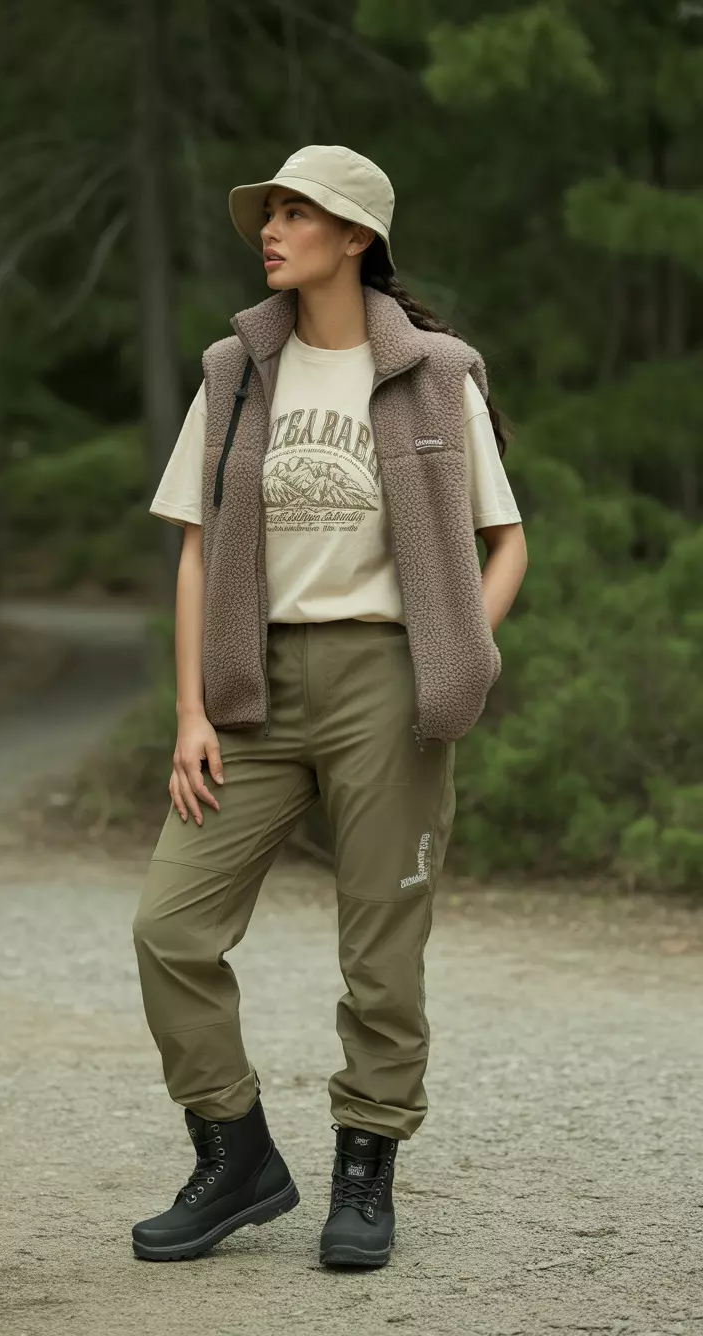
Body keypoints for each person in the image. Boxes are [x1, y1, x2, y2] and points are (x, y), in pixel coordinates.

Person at [131, 144, 527, 1269]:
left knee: (381, 948)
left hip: (385, 686)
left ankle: (367, 1169)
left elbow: (507, 538)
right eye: (271, 211)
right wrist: (191, 712)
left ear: (356, 237)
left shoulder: (437, 373)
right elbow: (199, 555)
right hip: (250, 689)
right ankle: (234, 1151)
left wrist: (465, 652)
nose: (273, 227)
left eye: (299, 213)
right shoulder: (237, 371)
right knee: (169, 926)